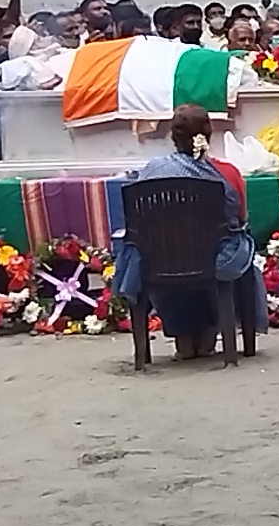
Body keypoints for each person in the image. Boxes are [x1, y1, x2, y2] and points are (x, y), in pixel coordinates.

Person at [114, 105, 270, 360]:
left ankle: (183, 337)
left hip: (160, 264)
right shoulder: (227, 173)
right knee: (236, 245)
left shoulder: (150, 172)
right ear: (208, 135)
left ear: (173, 137)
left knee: (164, 251)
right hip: (214, 261)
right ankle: (210, 331)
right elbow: (240, 219)